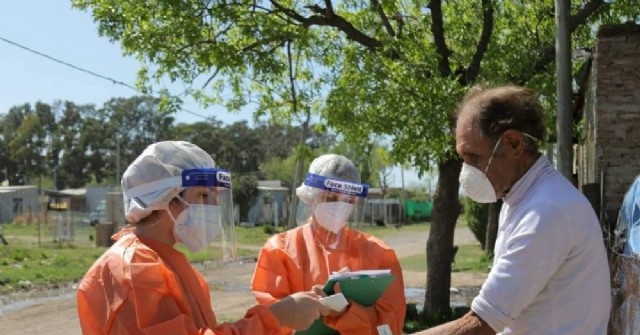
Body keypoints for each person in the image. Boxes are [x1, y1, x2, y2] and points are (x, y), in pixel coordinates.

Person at [414, 86, 610, 335]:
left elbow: (481, 325)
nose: (466, 171)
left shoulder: (546, 212)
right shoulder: (522, 200)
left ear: (513, 144)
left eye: (473, 157)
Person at [77, 141, 329, 335]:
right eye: (204, 196)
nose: (213, 208)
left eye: (216, 198)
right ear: (165, 199)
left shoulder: (165, 261)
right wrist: (275, 318)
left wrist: (287, 311)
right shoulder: (132, 269)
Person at [251, 154, 406, 335]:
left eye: (348, 200)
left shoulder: (379, 253)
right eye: (331, 198)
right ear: (311, 197)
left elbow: (391, 324)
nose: (340, 206)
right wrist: (307, 307)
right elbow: (270, 321)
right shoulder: (279, 250)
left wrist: (346, 313)